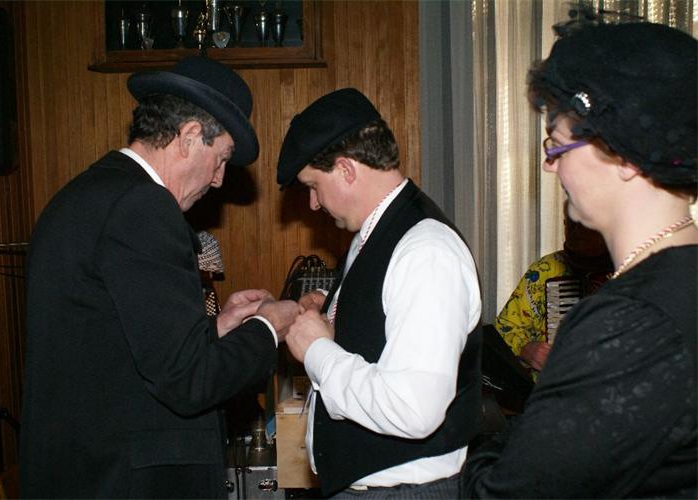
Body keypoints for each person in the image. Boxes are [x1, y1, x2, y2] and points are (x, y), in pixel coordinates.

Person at [19, 57, 299, 498]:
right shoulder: (144, 207)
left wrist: (217, 328)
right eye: (221, 158)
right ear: (189, 137)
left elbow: (116, 346)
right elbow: (188, 382)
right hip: (127, 483)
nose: (219, 180)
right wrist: (269, 328)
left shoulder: (84, 194)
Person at [461, 21, 697, 498]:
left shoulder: (627, 322)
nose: (550, 165)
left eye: (557, 143)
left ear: (622, 155)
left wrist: (473, 449)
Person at [276, 88, 483, 498]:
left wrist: (317, 350)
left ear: (346, 169)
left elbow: (414, 408)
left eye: (313, 186)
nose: (313, 204)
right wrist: (335, 310)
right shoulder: (375, 232)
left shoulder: (425, 250)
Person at [494, 205, 612, 375]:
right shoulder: (547, 270)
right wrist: (526, 349)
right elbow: (504, 330)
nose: (577, 232)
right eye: (571, 225)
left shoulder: (635, 271)